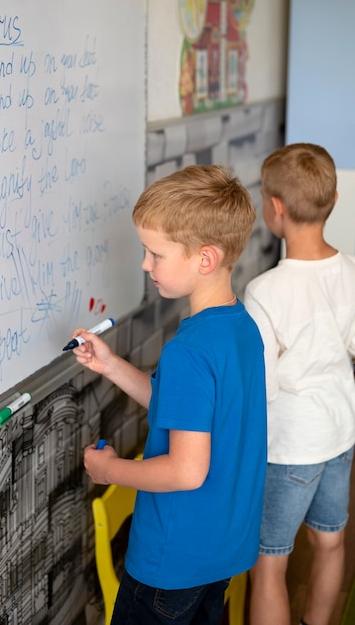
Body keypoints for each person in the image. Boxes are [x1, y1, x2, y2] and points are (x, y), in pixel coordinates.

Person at [74, 165, 267, 625]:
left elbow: (186, 470)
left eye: (155, 254)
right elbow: (185, 410)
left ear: (205, 258)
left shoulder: (188, 351)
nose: (145, 265)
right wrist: (110, 365)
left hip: (170, 563)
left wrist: (109, 470)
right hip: (222, 552)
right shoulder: (241, 329)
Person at [244, 143, 355, 625]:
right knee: (331, 543)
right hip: (340, 433)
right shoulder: (351, 270)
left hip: (290, 446)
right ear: (332, 201)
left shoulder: (264, 291)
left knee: (269, 560)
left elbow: (262, 389)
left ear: (275, 209)